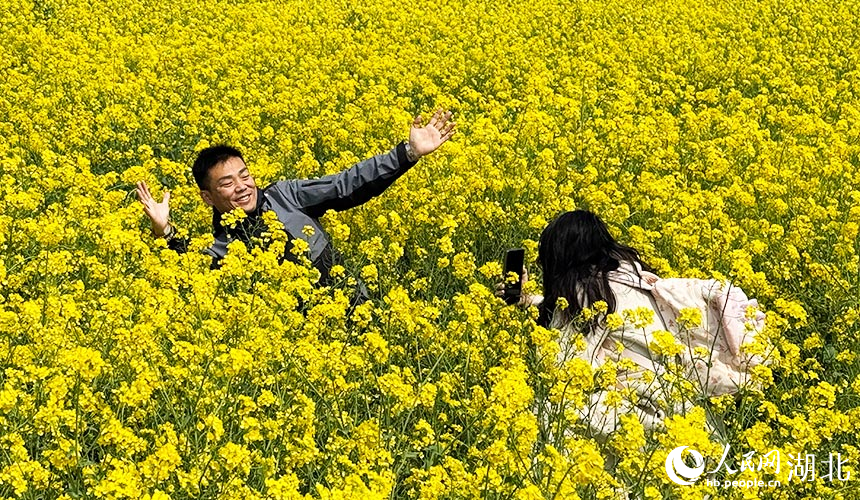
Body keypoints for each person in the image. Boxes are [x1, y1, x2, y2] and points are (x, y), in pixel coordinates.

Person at [136, 110, 456, 286]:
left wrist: (408, 153)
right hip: (300, 335)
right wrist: (164, 230)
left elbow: (346, 185)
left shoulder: (285, 195)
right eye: (227, 184)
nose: (242, 187)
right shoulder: (224, 246)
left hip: (348, 298)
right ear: (207, 197)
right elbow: (190, 264)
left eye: (245, 176)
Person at [517, 210, 686, 438]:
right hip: (680, 409)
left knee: (542, 412)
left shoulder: (588, 292)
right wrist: (529, 301)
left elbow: (562, 368)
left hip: (646, 420)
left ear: (561, 258)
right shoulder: (633, 276)